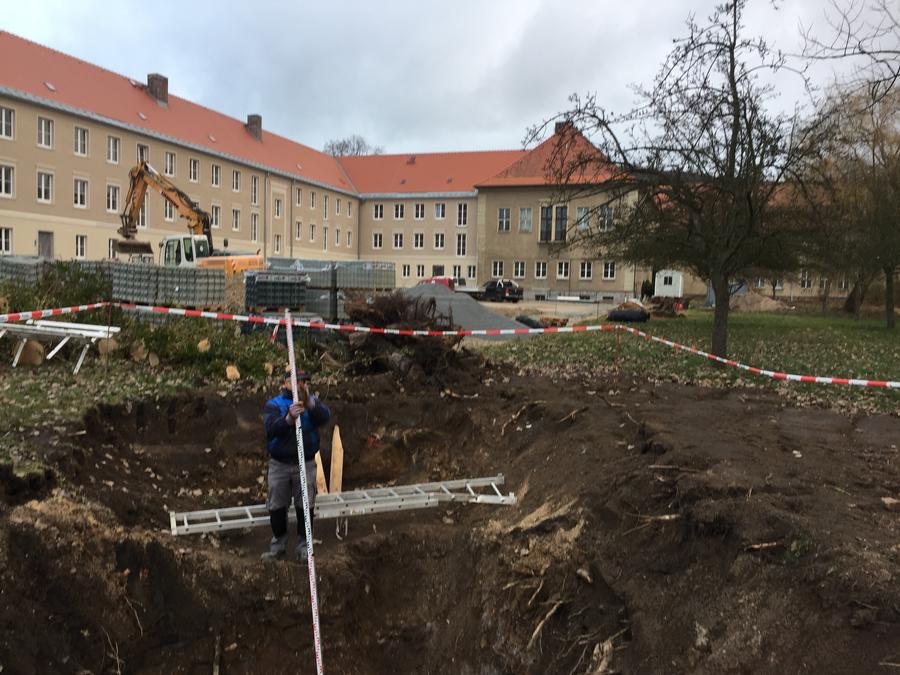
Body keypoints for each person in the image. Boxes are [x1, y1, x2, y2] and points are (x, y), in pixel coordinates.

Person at [262, 368, 331, 561]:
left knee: (305, 505)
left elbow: (325, 418)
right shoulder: (275, 404)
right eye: (297, 381)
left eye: (303, 381)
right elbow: (270, 428)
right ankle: (278, 545)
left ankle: (304, 545)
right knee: (277, 504)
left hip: (305, 462)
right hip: (280, 463)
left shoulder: (311, 403)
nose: (300, 385)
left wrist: (312, 405)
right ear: (286, 382)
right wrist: (287, 420)